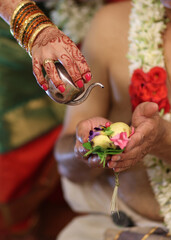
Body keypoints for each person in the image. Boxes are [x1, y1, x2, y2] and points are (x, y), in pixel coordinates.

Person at [55, 0, 171, 239]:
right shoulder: (110, 24)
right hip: (118, 223)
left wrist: (162, 139)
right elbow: (66, 159)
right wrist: (85, 151)